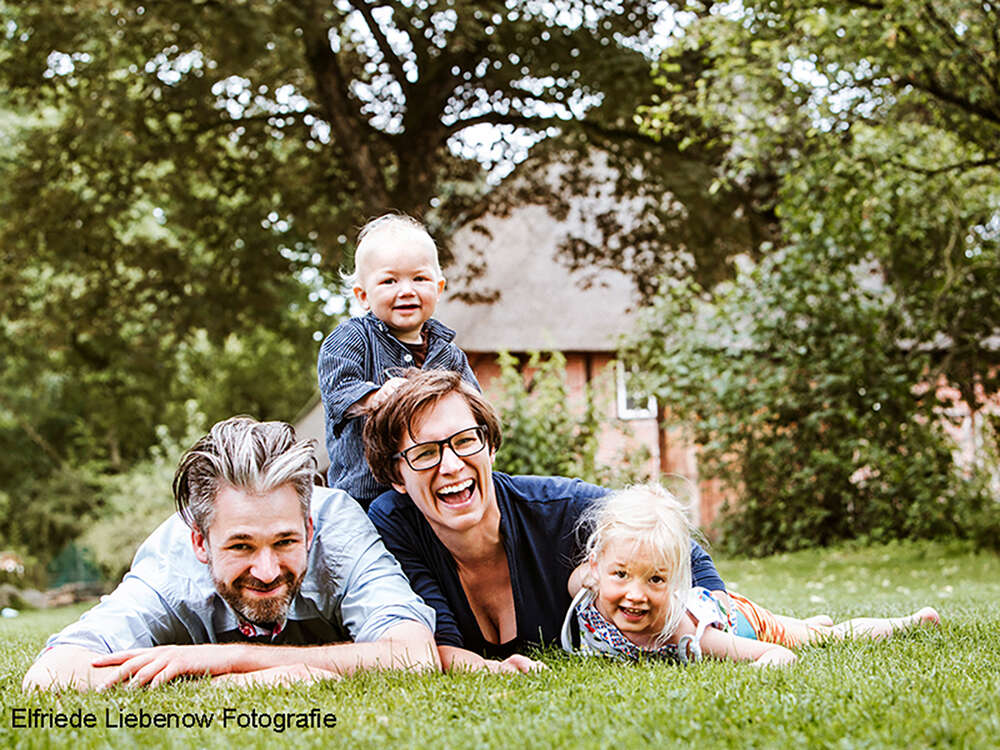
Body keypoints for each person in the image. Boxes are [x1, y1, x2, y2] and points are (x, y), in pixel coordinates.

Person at [23, 417, 439, 691]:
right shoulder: (169, 566)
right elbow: (51, 675)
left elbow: (414, 656)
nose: (267, 571)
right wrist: (232, 683)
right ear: (200, 543)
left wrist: (226, 659)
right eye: (241, 546)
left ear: (309, 529)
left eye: (285, 542)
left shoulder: (339, 529)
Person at [363, 369, 729, 673]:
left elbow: (689, 554)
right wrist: (488, 670)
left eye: (465, 441)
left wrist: (716, 622)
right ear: (396, 476)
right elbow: (436, 639)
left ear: (490, 446)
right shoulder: (396, 522)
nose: (452, 465)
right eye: (425, 453)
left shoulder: (559, 507)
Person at [561, 484, 941, 666]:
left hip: (740, 621)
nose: (636, 594)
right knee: (800, 626)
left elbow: (777, 655)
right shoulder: (587, 585)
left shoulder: (685, 633)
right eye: (621, 574)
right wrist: (597, 576)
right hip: (701, 606)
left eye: (655, 580)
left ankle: (907, 622)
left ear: (676, 581)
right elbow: (578, 579)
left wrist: (761, 669)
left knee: (822, 638)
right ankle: (805, 622)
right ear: (596, 567)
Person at [317, 213, 480, 508]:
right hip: (365, 496)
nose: (406, 290)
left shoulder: (449, 354)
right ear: (363, 296)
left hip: (432, 489)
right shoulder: (351, 338)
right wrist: (375, 397)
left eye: (419, 279)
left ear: (438, 288)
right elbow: (338, 392)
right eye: (389, 281)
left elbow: (474, 409)